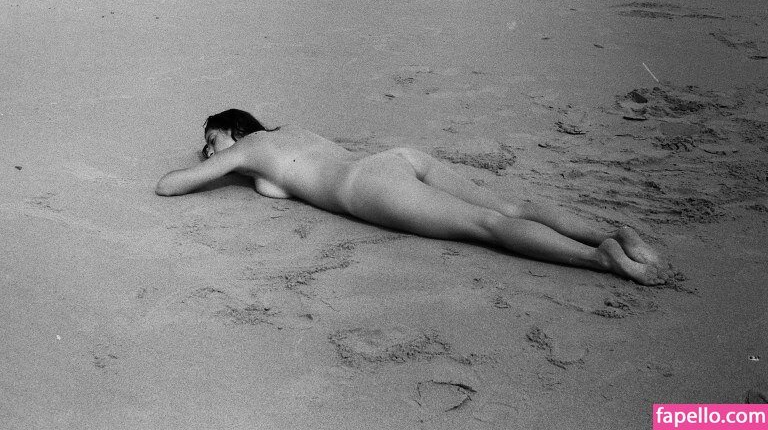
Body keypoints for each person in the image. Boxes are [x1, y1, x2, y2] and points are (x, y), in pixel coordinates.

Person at [156, 109, 672, 285]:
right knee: (507, 207)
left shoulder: (250, 147)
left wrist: (212, 165)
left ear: (235, 129)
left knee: (486, 227)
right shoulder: (291, 134)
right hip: (394, 159)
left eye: (211, 141)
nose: (208, 152)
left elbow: (169, 185)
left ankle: (601, 258)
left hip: (366, 188)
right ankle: (611, 232)